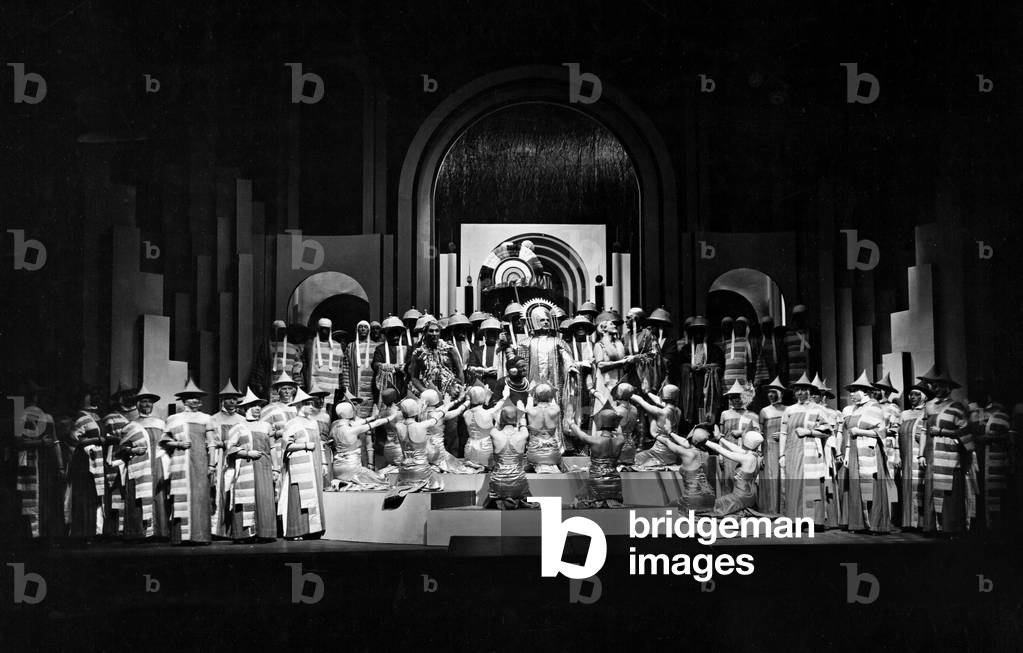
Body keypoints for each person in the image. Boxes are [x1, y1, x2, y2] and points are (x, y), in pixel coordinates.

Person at [919, 367, 974, 535]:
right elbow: (923, 430)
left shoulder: (957, 407)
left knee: (949, 491)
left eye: (939, 385)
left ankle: (950, 527)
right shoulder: (928, 406)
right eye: (933, 385)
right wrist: (921, 454)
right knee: (932, 488)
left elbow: (965, 431)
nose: (935, 388)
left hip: (949, 454)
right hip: (931, 453)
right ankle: (932, 527)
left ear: (948, 388)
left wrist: (943, 432)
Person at [839, 371, 895, 534]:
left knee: (872, 485)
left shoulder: (874, 406)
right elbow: (849, 432)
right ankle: (860, 524)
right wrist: (848, 449)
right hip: (855, 450)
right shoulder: (854, 410)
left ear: (864, 392)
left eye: (854, 391)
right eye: (850, 391)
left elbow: (880, 432)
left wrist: (860, 432)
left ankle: (876, 524)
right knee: (856, 485)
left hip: (870, 450)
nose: (850, 394)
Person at [779, 373, 837, 528]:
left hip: (811, 451)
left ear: (810, 392)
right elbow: (783, 433)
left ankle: (813, 521)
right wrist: (781, 454)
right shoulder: (789, 410)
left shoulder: (818, 409)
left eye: (803, 390)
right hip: (792, 452)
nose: (800, 393)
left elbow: (828, 430)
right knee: (794, 485)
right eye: (797, 390)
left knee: (812, 485)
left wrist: (809, 432)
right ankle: (794, 520)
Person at [161, 377, 215, 545]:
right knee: (181, 495)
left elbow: (211, 443)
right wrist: (178, 443)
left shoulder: (206, 418)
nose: (196, 400)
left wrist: (212, 464)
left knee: (200, 496)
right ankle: (180, 536)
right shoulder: (174, 419)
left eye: (198, 398)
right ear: (184, 400)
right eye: (192, 397)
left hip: (200, 461)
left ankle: (201, 536)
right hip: (180, 461)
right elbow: (164, 441)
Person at [224, 388, 277, 542]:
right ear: (246, 408)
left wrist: (276, 468)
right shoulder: (239, 427)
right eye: (254, 406)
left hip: (264, 467)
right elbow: (230, 449)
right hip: (246, 467)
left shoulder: (266, 426)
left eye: (259, 406)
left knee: (264, 498)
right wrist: (247, 453)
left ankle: (265, 533)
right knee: (245, 498)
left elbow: (272, 447)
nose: (258, 409)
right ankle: (244, 534)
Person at [13, 382, 63, 540]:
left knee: (46, 496)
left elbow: (55, 442)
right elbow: (18, 442)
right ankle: (32, 534)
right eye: (32, 395)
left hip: (46, 463)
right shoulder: (21, 416)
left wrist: (61, 466)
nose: (34, 399)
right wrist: (39, 442)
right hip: (30, 461)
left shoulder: (48, 417)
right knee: (31, 497)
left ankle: (44, 534)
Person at [279, 389, 327, 539]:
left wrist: (324, 463)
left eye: (312, 404)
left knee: (314, 494)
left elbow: (319, 444)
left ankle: (313, 530)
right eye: (308, 404)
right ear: (300, 405)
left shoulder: (313, 422)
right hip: (300, 463)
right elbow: (286, 446)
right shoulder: (292, 423)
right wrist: (305, 445)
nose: (311, 407)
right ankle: (297, 530)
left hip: (315, 462)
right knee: (299, 495)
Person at [566, 403, 626, 508]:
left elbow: (581, 435)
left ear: (599, 422)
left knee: (577, 503)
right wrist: (616, 422)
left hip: (596, 481)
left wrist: (571, 423)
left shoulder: (595, 441)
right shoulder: (620, 441)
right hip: (614, 482)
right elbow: (620, 433)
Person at [329, 402, 396, 490]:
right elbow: (375, 424)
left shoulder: (335, 425)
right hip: (353, 469)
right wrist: (392, 416)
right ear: (350, 412)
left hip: (337, 468)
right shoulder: (352, 430)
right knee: (382, 481)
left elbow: (359, 422)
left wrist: (373, 417)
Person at [67, 389, 106, 540]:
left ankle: (94, 531)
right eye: (92, 395)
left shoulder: (96, 415)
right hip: (84, 462)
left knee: (94, 496)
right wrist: (96, 441)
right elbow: (75, 439)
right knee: (85, 495)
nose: (96, 398)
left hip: (97, 460)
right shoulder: (82, 416)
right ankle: (82, 533)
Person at [516, 306, 577, 403]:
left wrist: (570, 366)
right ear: (535, 321)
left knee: (553, 404)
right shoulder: (525, 343)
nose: (546, 322)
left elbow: (565, 356)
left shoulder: (557, 341)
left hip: (553, 381)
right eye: (542, 320)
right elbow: (519, 362)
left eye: (548, 320)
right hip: (532, 381)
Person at [208, 381, 245, 538]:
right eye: (229, 398)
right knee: (219, 490)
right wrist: (223, 444)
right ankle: (217, 530)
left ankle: (234, 529)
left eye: (234, 399)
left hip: (237, 458)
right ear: (222, 400)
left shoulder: (242, 420)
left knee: (235, 490)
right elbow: (210, 440)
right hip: (221, 458)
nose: (232, 402)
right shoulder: (214, 419)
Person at [700, 430, 766, 517]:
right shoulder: (756, 455)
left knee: (710, 507)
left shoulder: (746, 458)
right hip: (752, 495)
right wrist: (721, 439)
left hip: (741, 496)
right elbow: (734, 448)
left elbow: (720, 449)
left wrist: (704, 441)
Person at [100, 381, 137, 537]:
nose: (130, 397)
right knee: (115, 495)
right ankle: (114, 530)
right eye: (126, 395)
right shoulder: (110, 418)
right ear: (120, 398)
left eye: (132, 394)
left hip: (134, 458)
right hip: (115, 459)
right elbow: (103, 439)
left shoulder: (138, 415)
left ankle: (130, 529)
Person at [133, 385, 169, 539]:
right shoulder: (133, 424)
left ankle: (160, 530)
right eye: (143, 401)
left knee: (159, 494)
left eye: (149, 402)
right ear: (138, 404)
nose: (147, 405)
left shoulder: (160, 423)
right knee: (142, 494)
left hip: (158, 462)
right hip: (141, 463)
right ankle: (141, 531)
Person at [484, 404, 535, 510]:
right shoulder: (523, 434)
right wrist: (522, 422)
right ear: (515, 419)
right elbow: (523, 426)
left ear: (501, 418)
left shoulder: (494, 434)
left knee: (494, 488)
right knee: (523, 488)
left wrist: (498, 420)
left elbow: (495, 425)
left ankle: (503, 499)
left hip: (499, 485)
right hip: (518, 485)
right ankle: (516, 499)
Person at [656, 425, 717, 512]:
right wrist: (671, 433)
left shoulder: (686, 453)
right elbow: (686, 442)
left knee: (666, 509)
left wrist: (655, 435)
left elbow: (667, 442)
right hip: (710, 498)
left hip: (693, 499)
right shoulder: (706, 453)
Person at [717, 380, 762, 496]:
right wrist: (720, 455)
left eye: (739, 397)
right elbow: (721, 436)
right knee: (728, 479)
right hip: (728, 451)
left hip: (745, 453)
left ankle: (743, 508)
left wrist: (741, 432)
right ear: (730, 400)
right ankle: (728, 507)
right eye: (733, 397)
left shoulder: (752, 415)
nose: (736, 400)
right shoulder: (725, 414)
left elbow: (758, 436)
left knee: (743, 480)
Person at [259, 372, 299, 498]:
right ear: (278, 391)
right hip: (278, 451)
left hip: (296, 450)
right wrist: (278, 433)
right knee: (278, 484)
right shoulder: (270, 409)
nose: (287, 392)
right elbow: (262, 432)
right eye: (284, 389)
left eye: (289, 389)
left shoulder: (298, 409)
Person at [418, 389, 479, 473]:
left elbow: (443, 408)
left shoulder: (421, 413)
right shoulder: (438, 414)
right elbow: (459, 410)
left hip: (423, 451)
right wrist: (468, 400)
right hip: (436, 451)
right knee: (461, 468)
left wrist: (459, 399)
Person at [679, 316, 724, 427]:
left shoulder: (715, 349)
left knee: (705, 403)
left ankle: (706, 427)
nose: (698, 334)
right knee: (693, 404)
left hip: (707, 383)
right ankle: (692, 427)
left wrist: (707, 367)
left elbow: (719, 365)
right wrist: (689, 367)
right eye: (695, 331)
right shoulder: (686, 349)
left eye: (701, 331)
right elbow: (680, 365)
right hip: (691, 383)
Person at [898, 382, 931, 529]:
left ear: (924, 397)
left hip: (920, 455)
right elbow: (898, 436)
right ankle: (908, 521)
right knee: (907, 486)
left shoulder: (927, 412)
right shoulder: (904, 414)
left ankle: (921, 522)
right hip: (906, 457)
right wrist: (898, 456)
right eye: (911, 394)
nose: (913, 397)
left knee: (920, 487)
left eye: (917, 394)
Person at [408, 318, 465, 399]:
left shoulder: (450, 349)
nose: (434, 333)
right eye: (431, 331)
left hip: (450, 392)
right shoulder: (418, 353)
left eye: (437, 331)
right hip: (430, 393)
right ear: (425, 333)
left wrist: (460, 389)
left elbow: (460, 371)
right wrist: (425, 391)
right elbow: (414, 377)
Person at [629, 385, 683, 469]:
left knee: (636, 459)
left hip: (661, 452)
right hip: (673, 451)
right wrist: (648, 393)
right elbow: (659, 401)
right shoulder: (678, 411)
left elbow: (641, 401)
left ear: (663, 397)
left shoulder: (660, 412)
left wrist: (629, 393)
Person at [251, 320, 305, 399]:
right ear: (273, 331)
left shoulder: (292, 348)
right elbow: (260, 367)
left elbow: (297, 372)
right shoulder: (267, 347)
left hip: (288, 389)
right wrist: (259, 385)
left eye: (283, 331)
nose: (282, 333)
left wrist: (299, 388)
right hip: (271, 387)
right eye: (279, 331)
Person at [757, 376, 787, 514]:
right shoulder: (764, 411)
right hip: (769, 448)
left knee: (785, 476)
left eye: (773, 392)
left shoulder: (788, 410)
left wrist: (782, 433)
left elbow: (790, 428)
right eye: (769, 392)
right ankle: (771, 509)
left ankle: (785, 508)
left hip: (785, 447)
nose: (770, 395)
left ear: (780, 393)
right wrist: (759, 453)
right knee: (771, 476)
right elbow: (760, 434)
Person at [524, 383, 567, 473]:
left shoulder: (530, 410)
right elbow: (553, 401)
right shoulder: (556, 409)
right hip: (553, 456)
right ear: (550, 397)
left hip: (534, 456)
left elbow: (529, 398)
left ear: (535, 396)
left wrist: (531, 392)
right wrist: (552, 392)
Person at [306, 318, 345, 411]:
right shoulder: (311, 344)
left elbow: (341, 367)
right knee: (314, 411)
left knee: (328, 413)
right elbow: (305, 365)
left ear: (330, 330)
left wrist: (340, 385)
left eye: (327, 329)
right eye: (322, 328)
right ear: (318, 329)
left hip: (331, 385)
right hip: (316, 384)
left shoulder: (337, 346)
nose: (324, 331)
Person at [462, 385, 504, 469]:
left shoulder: (465, 413)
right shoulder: (489, 413)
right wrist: (505, 396)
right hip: (484, 449)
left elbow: (478, 409)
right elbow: (499, 405)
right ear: (483, 397)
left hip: (469, 449)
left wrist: (486, 399)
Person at [466, 317, 508, 396]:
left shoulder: (503, 350)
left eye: (494, 332)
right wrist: (484, 371)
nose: (491, 335)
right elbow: (470, 368)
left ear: (498, 334)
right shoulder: (477, 350)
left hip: (501, 384)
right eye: (489, 332)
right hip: (482, 385)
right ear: (484, 334)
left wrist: (499, 371)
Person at [347, 320, 379, 418]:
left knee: (370, 412)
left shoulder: (375, 346)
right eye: (360, 327)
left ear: (369, 330)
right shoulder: (351, 346)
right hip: (355, 383)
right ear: (357, 330)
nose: (363, 329)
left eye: (365, 327)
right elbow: (346, 365)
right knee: (355, 410)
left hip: (370, 383)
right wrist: (346, 385)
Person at [372, 316, 410, 399]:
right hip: (386, 388)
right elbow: (375, 365)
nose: (395, 336)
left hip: (403, 386)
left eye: (397, 333)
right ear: (386, 335)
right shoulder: (380, 349)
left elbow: (412, 366)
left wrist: (405, 367)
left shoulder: (407, 349)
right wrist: (392, 367)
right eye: (391, 333)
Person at [614, 383, 641, 466]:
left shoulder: (615, 410)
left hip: (618, 448)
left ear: (619, 393)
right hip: (631, 448)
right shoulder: (635, 409)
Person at [377, 388, 404, 469]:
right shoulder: (399, 412)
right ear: (394, 397)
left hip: (387, 448)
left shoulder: (382, 413)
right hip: (399, 447)